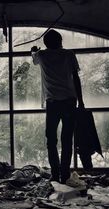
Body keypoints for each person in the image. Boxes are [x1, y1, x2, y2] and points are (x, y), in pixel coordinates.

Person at [31, 29, 84, 184]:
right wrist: (81, 101)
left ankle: (55, 174)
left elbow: (33, 56)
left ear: (46, 43)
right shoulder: (69, 54)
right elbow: (76, 78)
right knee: (67, 139)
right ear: (60, 41)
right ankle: (65, 175)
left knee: (51, 140)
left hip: (52, 103)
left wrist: (34, 50)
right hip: (69, 101)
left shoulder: (42, 56)